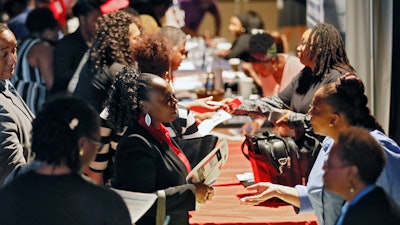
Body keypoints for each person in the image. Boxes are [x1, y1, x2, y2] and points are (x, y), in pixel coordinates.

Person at [240, 74, 400, 225]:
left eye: (315, 109)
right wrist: (277, 191)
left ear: (333, 119)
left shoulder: (377, 148)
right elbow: (319, 197)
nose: (309, 114)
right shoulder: (330, 144)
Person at [0, 96, 132, 225]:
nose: (96, 150)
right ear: (82, 145)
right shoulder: (106, 204)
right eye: (97, 144)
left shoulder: (6, 198)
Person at [106, 69, 212, 225]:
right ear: (145, 106)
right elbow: (143, 200)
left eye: (173, 96)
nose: (175, 102)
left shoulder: (160, 133)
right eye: (166, 100)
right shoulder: (135, 144)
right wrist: (191, 193)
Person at [234, 23, 355, 138]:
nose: (298, 48)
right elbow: (277, 103)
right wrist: (237, 106)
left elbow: (327, 121)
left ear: (320, 49)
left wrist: (292, 119)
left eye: (303, 44)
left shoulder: (339, 78)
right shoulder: (305, 74)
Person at [323, 127, 400, 225]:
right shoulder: (362, 203)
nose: (324, 168)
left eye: (331, 164)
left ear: (351, 172)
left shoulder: (369, 214)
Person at [73, 10, 141, 113]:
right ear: (122, 41)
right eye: (136, 38)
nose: (141, 42)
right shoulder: (119, 71)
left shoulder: (93, 62)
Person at [0, 23, 34, 187]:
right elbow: (12, 172)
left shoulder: (5, 84)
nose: (12, 59)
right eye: (3, 54)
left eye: (14, 50)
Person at [11, 7, 60, 115]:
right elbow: (51, 84)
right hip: (30, 110)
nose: (58, 35)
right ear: (48, 31)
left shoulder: (20, 42)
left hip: (14, 107)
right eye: (57, 30)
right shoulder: (42, 48)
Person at [50, 0, 102, 96]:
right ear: (82, 19)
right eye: (95, 21)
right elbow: (61, 75)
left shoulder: (98, 44)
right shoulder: (67, 44)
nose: (99, 25)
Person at [242, 31, 304, 98]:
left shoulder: (297, 68)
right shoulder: (267, 69)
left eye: (262, 69)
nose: (260, 74)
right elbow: (268, 98)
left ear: (273, 62)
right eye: (257, 71)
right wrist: (236, 103)